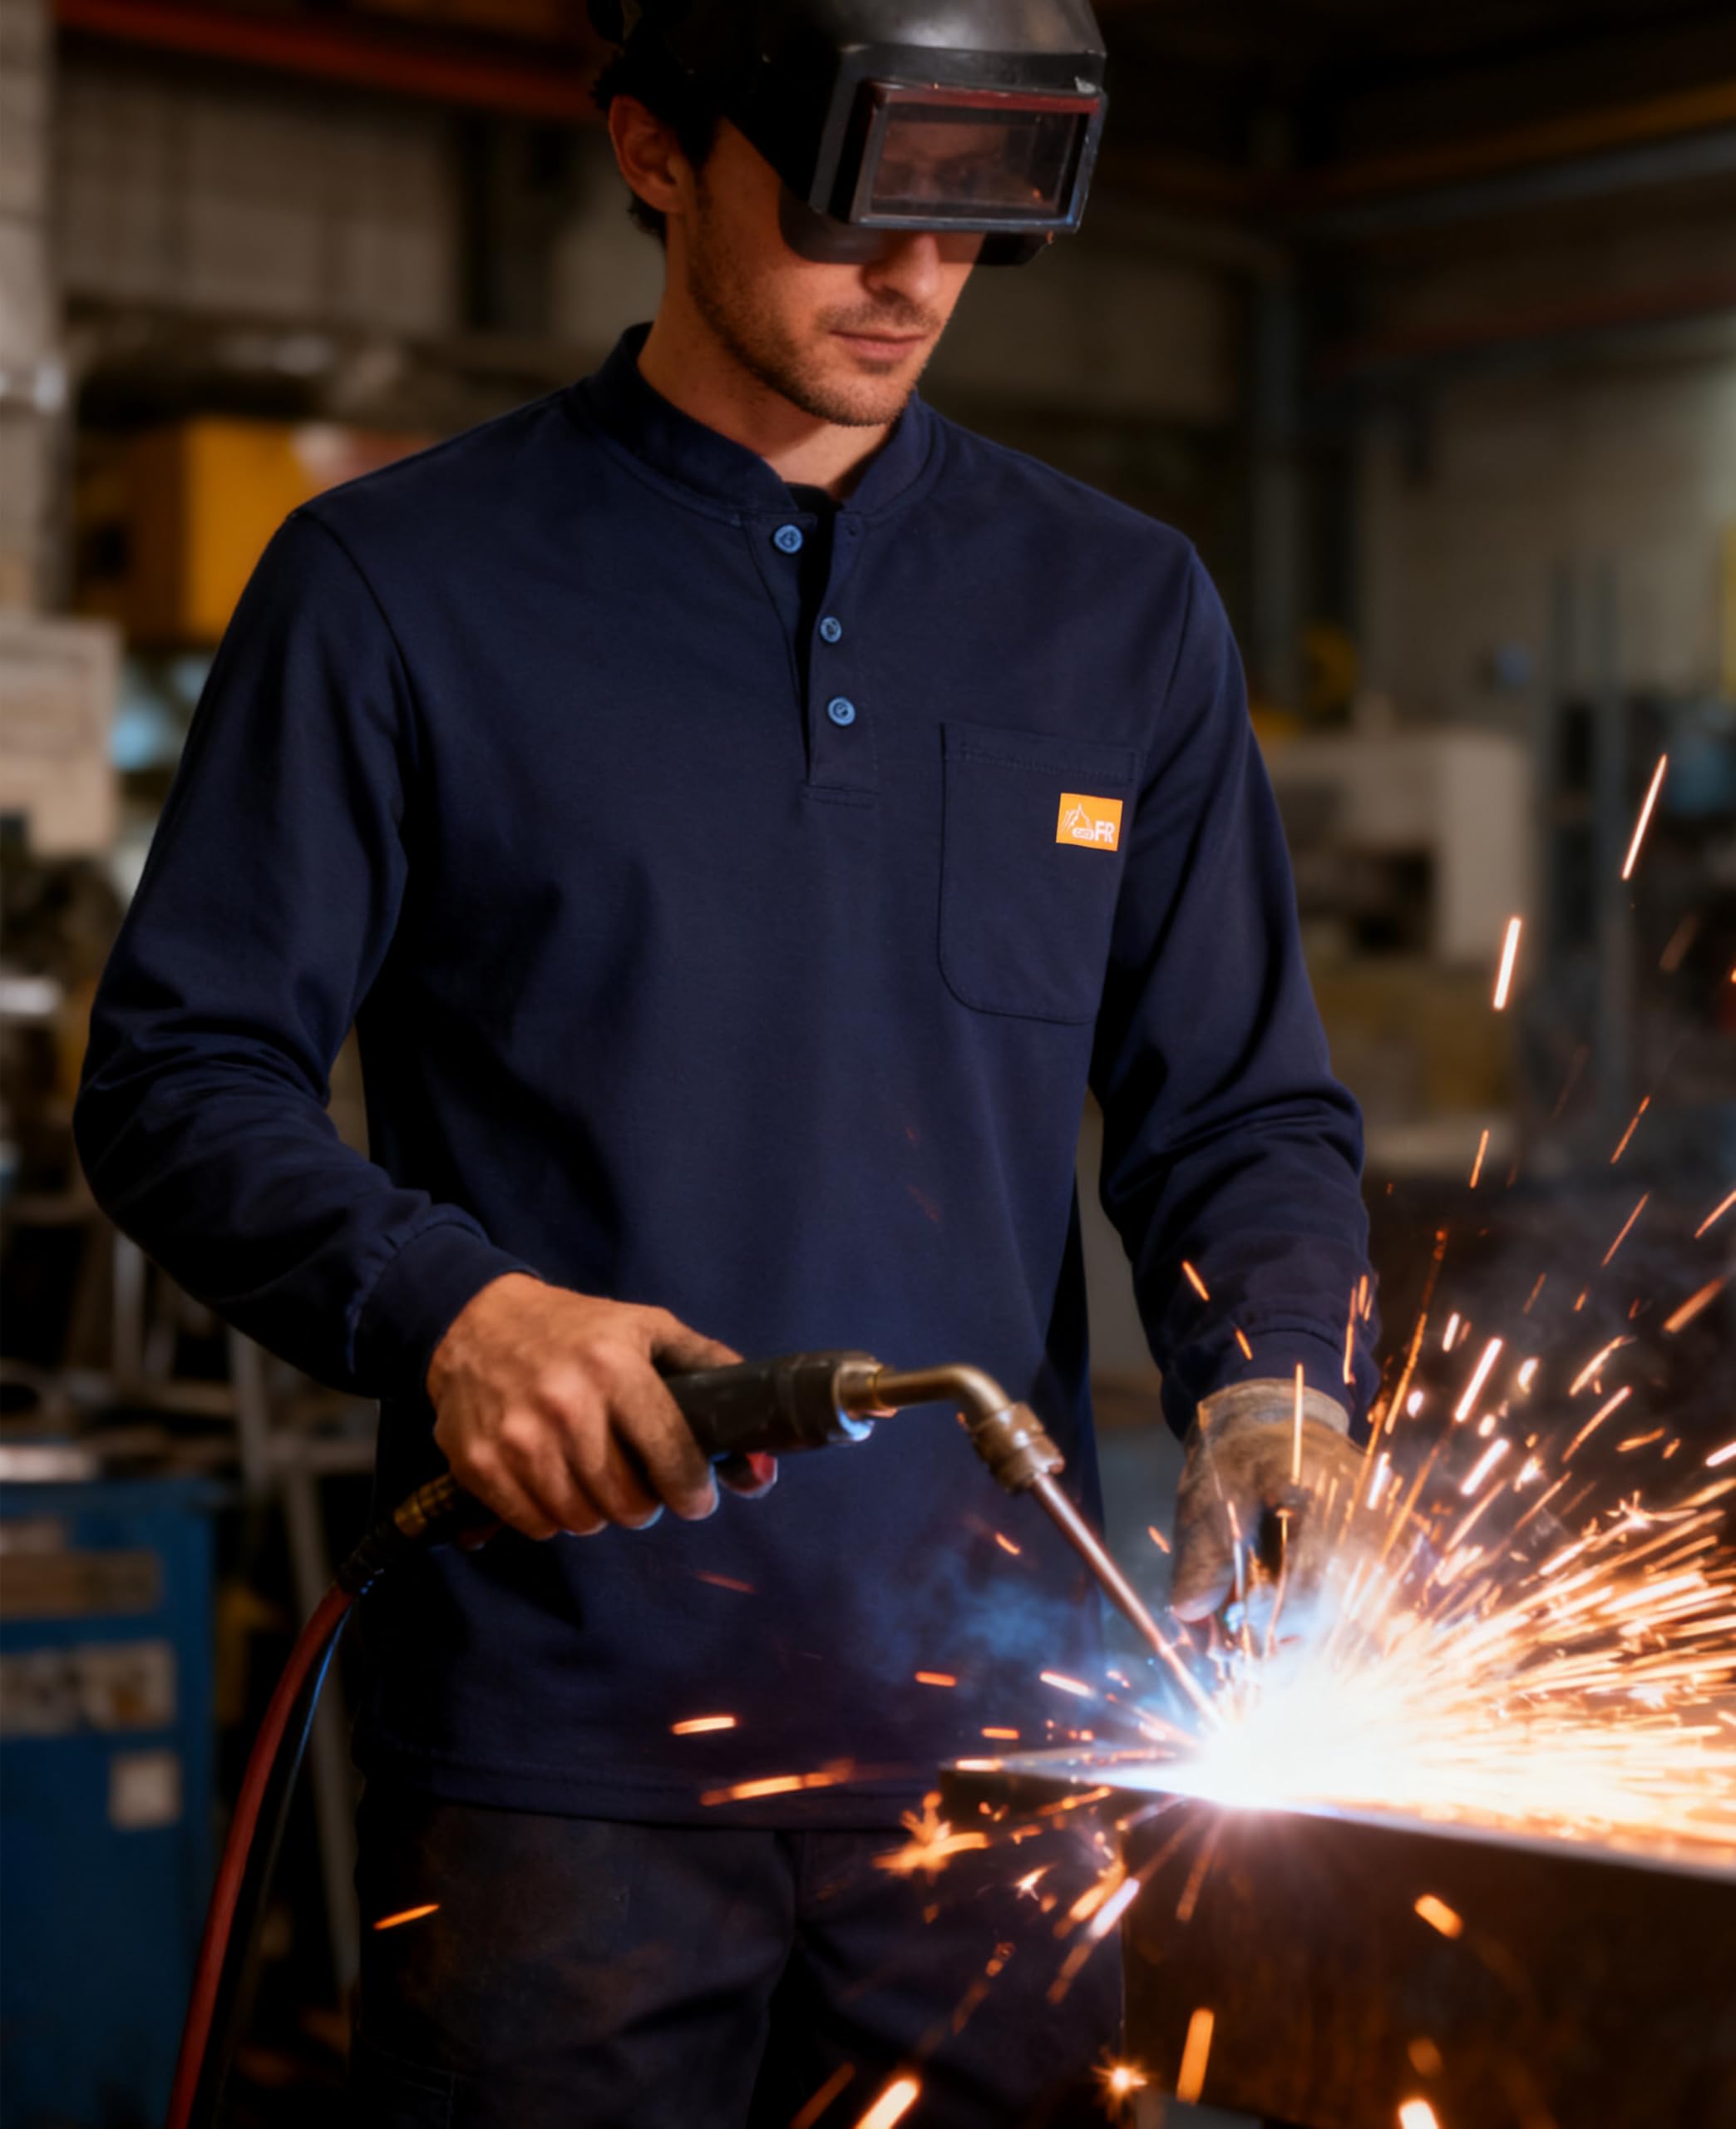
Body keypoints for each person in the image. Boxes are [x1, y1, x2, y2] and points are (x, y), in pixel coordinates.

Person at [75, 2, 1375, 2122]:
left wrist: (1281, 1381)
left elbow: (1236, 1104)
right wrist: (455, 1308)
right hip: (562, 1763)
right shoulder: (398, 585)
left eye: (972, 221)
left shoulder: (1120, 611)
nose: (915, 280)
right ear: (656, 151)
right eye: (856, 209)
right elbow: (178, 1075)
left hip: (997, 1750)